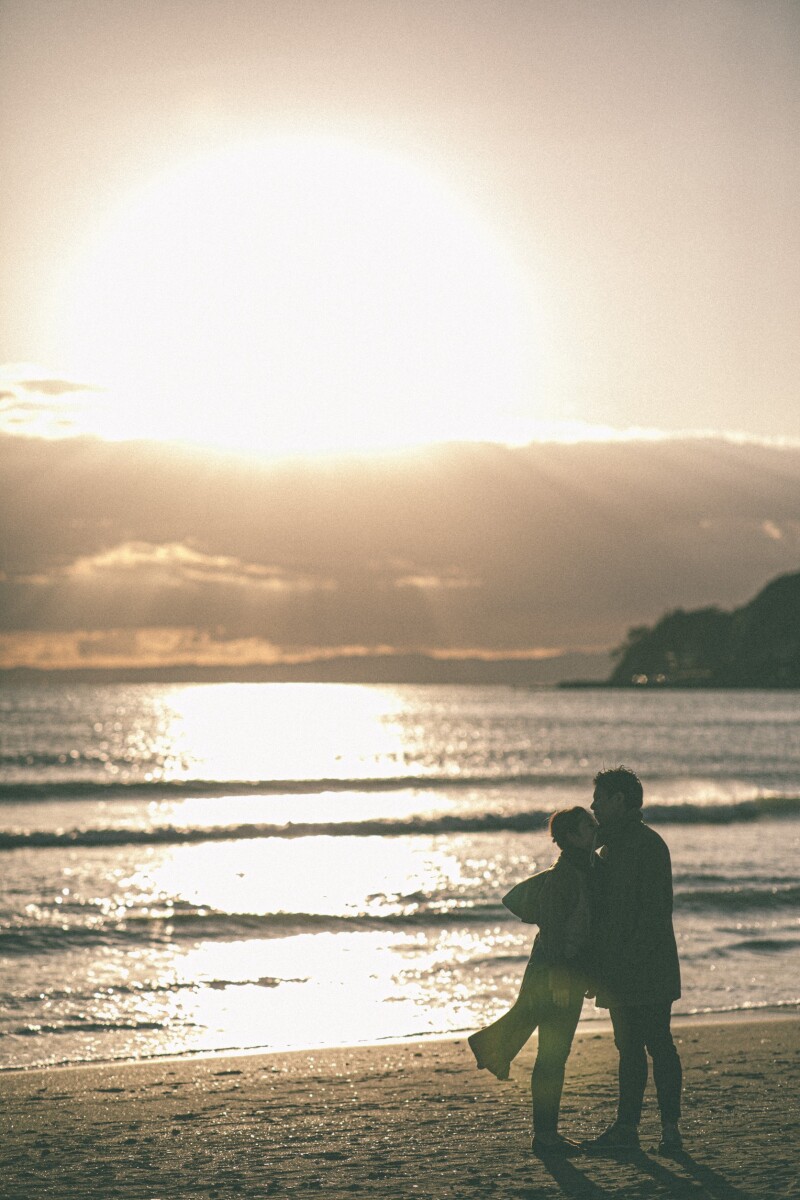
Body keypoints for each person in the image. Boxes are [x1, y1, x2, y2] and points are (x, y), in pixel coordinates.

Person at [468, 806, 598, 1155]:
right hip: (554, 969)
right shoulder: (566, 875)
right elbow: (554, 928)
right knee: (553, 1055)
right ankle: (545, 1137)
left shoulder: (586, 868)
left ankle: (546, 1133)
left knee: (547, 1046)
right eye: (589, 826)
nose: (595, 829)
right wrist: (559, 976)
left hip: (562, 968)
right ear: (571, 836)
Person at [586, 766, 683, 1155]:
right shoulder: (605, 848)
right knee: (629, 1048)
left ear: (619, 801)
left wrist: (621, 960)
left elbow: (655, 913)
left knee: (656, 1043)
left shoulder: (647, 845)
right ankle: (628, 1128)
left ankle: (669, 1129)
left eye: (600, 798)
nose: (593, 805)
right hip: (622, 966)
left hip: (648, 964)